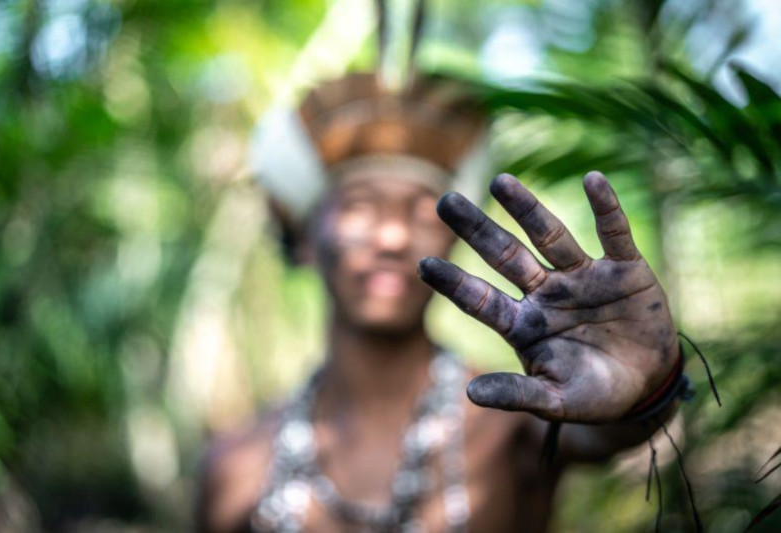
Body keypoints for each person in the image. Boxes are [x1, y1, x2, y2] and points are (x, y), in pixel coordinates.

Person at [194, 62, 686, 532]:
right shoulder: (235, 468)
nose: (391, 236)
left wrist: (645, 382)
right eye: (360, 206)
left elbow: (603, 428)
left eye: (421, 211)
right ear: (303, 238)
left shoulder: (510, 427)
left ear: (455, 238)